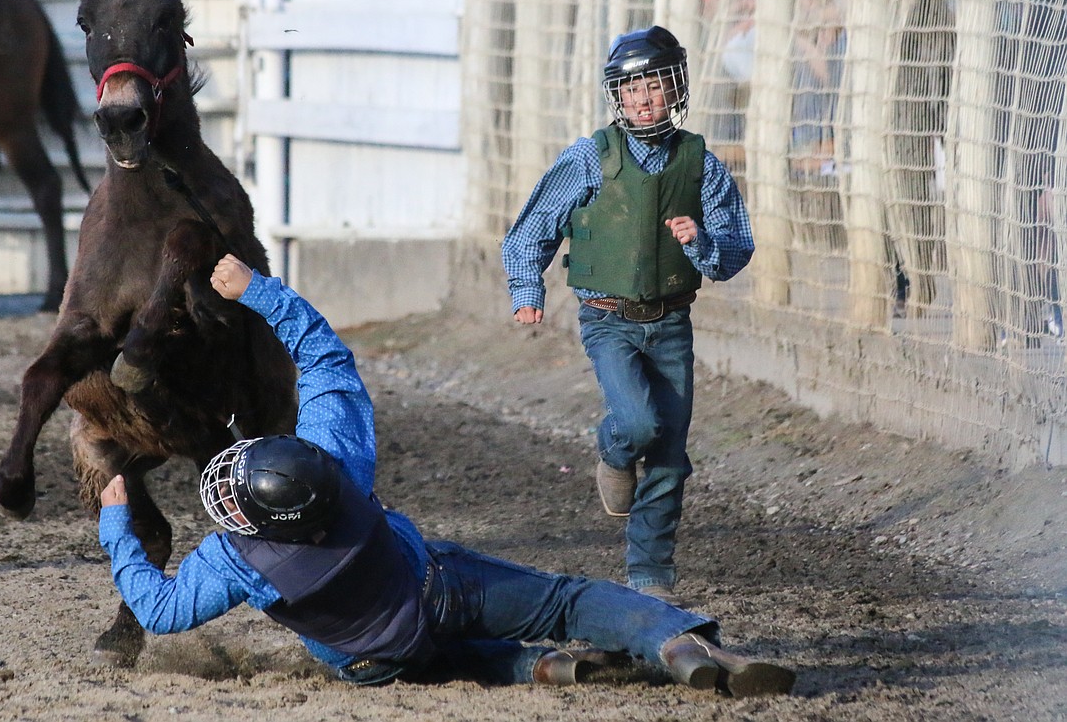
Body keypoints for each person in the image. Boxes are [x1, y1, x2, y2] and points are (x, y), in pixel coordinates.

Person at [97, 254, 794, 695]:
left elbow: (157, 609)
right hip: (435, 589)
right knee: (566, 600)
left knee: (428, 656)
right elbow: (325, 357)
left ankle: (534, 668)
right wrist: (258, 291)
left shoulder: (237, 558)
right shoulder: (339, 465)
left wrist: (115, 518)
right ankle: (679, 639)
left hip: (371, 662)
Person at [500, 26, 754, 604]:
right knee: (639, 424)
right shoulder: (590, 157)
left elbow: (734, 251)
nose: (643, 98)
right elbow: (531, 228)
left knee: (669, 455)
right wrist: (526, 289)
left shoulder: (701, 165)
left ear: (677, 89)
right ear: (617, 94)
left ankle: (651, 577)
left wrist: (699, 242)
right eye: (631, 86)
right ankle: (613, 451)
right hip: (607, 318)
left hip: (670, 321)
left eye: (655, 85)